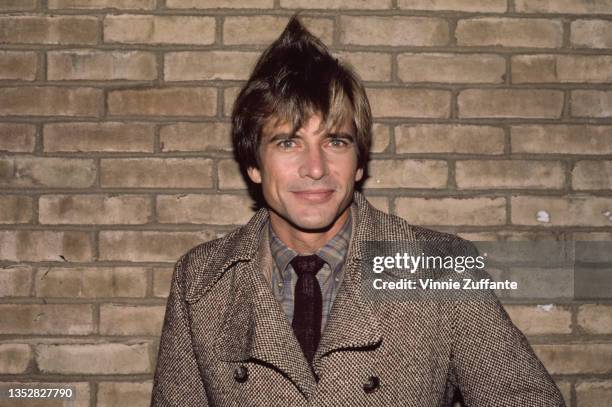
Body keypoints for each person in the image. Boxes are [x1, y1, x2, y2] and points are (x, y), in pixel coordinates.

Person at [150, 15, 565, 407]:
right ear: (253, 164)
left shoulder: (439, 269)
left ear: (360, 162)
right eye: (288, 143)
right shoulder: (200, 281)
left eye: (336, 142)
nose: (316, 168)